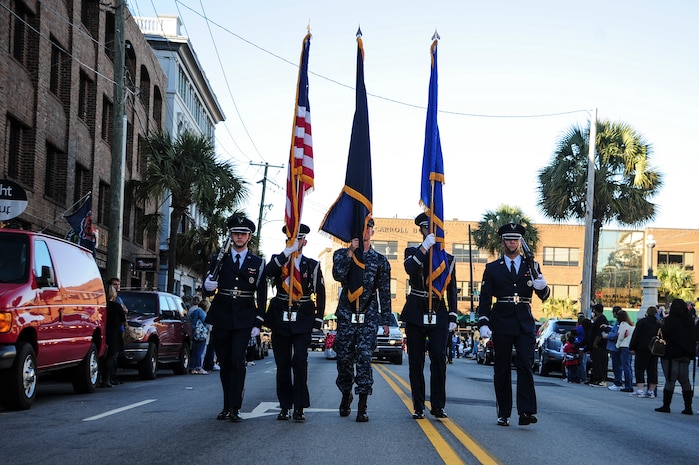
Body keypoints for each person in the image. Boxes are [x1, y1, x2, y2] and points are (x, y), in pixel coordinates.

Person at [477, 222, 551, 427]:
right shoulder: (492, 268)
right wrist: (483, 322)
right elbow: (484, 299)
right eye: (508, 239)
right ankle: (504, 412)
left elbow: (543, 295)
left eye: (515, 239)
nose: (512, 242)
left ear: (520, 242)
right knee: (501, 368)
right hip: (501, 321)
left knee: (525, 365)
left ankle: (526, 411)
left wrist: (543, 286)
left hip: (524, 323)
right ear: (503, 242)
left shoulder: (531, 266)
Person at [203, 216, 267, 422]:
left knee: (237, 360)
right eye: (235, 233)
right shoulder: (218, 259)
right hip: (222, 314)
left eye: (243, 234)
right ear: (231, 235)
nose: (239, 237)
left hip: (244, 316)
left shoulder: (257, 263)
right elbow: (208, 291)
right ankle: (226, 405)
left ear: (249, 237)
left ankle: (235, 406)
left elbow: (262, 295)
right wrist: (207, 287)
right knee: (225, 361)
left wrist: (258, 322)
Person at [264, 224, 326, 422]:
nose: (295, 242)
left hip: (302, 316)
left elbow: (321, 292)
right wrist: (285, 254)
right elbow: (267, 273)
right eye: (292, 239)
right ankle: (284, 405)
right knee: (282, 363)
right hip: (281, 316)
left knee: (299, 361)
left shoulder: (312, 265)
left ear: (305, 242)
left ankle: (299, 406)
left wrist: (318, 318)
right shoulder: (279, 260)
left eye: (299, 239)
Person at [332, 218, 392, 422]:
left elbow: (384, 291)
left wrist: (385, 319)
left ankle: (363, 404)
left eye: (369, 228)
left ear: (373, 232)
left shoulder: (381, 260)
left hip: (368, 314)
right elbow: (338, 275)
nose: (365, 231)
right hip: (347, 314)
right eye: (362, 227)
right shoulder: (341, 254)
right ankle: (346, 393)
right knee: (344, 359)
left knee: (365, 358)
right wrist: (350, 252)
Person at [400, 212, 458, 419]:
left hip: (439, 311)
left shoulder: (448, 259)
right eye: (426, 229)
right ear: (421, 231)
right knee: (416, 361)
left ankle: (438, 405)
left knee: (438, 359)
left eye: (433, 229)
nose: (430, 232)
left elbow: (451, 290)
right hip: (416, 310)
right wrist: (425, 247)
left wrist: (452, 316)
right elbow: (410, 268)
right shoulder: (412, 252)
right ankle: (418, 405)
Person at [655, 299, 696, 414]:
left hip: (672, 354)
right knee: (685, 380)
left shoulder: (670, 320)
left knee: (670, 379)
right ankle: (688, 407)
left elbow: (665, 334)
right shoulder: (689, 321)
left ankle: (666, 405)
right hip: (685, 354)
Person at [629, 305, 661, 398]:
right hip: (654, 349)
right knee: (652, 369)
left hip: (642, 348)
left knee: (640, 368)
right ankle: (651, 391)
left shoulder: (642, 322)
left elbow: (636, 335)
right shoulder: (658, 324)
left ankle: (640, 389)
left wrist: (632, 347)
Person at [99, 284, 126, 388]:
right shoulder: (116, 306)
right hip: (114, 333)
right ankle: (107, 379)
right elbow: (123, 320)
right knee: (110, 356)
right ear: (113, 294)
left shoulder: (102, 306)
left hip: (103, 332)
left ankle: (99, 379)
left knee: (101, 356)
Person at [588, 303, 609, 387]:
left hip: (600, 345)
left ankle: (600, 379)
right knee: (596, 363)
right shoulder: (598, 319)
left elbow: (600, 332)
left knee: (599, 362)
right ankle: (594, 377)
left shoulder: (602, 319)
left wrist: (595, 343)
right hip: (597, 345)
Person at [615, 309, 635, 392]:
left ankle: (627, 386)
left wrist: (617, 345)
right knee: (629, 366)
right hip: (629, 346)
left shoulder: (623, 325)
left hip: (624, 346)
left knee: (625, 366)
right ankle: (629, 384)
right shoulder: (631, 325)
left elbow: (621, 336)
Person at [188, 295, 209, 375]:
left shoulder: (193, 311)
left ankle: (193, 368)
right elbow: (206, 321)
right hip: (201, 333)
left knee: (195, 351)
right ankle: (198, 367)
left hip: (195, 333)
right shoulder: (201, 312)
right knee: (200, 351)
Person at [604, 306, 623, 391]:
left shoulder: (619, 322)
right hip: (617, 346)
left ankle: (617, 382)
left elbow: (616, 334)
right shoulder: (619, 322)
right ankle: (618, 381)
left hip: (615, 346)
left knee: (617, 365)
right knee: (618, 365)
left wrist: (608, 335)